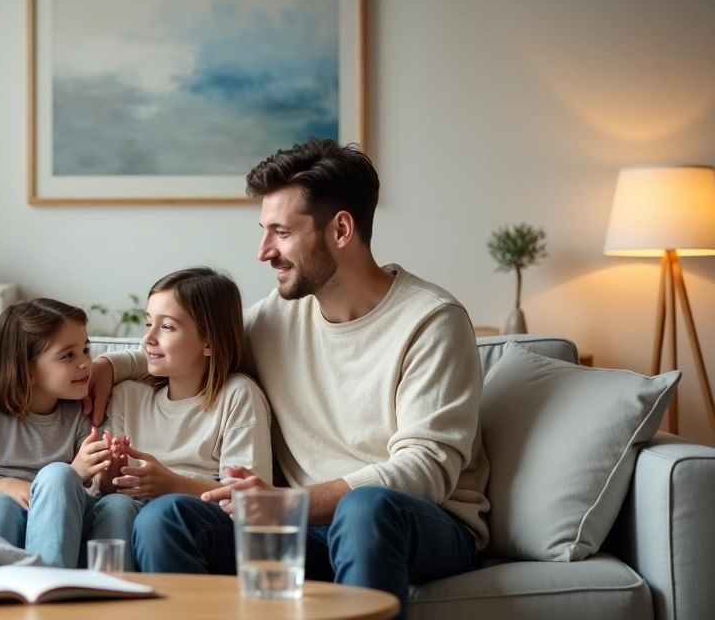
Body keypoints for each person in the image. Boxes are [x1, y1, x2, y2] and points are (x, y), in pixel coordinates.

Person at [87, 139, 488, 619]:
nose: (263, 252)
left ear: (341, 229)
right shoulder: (276, 319)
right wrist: (111, 365)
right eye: (264, 231)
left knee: (365, 510)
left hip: (419, 523)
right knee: (166, 516)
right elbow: (202, 344)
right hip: (301, 530)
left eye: (281, 232)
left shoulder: (431, 321)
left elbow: (426, 470)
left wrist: (290, 503)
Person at [0, 298, 137, 569]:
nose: (86, 363)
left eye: (86, 350)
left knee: (119, 506)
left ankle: (103, 587)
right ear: (27, 370)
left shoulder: (82, 411)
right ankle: (33, 584)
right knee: (2, 504)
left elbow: (96, 494)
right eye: (68, 355)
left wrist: (110, 472)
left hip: (68, 532)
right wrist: (4, 486)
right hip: (4, 528)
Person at [96, 266, 272, 506]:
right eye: (148, 324)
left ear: (209, 343)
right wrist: (111, 472)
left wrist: (173, 485)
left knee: (164, 510)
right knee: (116, 507)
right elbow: (105, 488)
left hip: (195, 515)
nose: (147, 338)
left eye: (167, 327)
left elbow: (248, 496)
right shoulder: (127, 395)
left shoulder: (238, 395)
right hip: (128, 510)